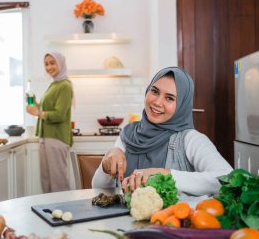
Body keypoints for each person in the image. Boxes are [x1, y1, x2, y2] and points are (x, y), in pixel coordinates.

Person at [92, 67, 232, 196]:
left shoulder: (191, 139)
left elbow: (227, 178)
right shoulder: (128, 135)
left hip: (170, 222)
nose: (157, 102)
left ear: (181, 105)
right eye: (155, 91)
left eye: (169, 98)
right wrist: (105, 165)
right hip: (122, 221)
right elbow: (98, 188)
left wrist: (167, 174)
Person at [26, 52, 73, 193]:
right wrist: (35, 103)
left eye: (52, 63)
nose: (49, 67)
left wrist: (38, 113)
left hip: (56, 138)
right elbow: (48, 109)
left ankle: (65, 212)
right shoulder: (54, 84)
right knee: (45, 181)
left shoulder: (64, 86)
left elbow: (59, 114)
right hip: (46, 137)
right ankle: (48, 213)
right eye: (46, 64)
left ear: (61, 63)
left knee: (58, 182)